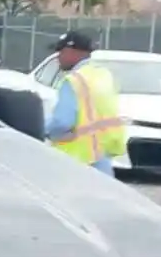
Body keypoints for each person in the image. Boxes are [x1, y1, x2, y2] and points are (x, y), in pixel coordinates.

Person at [44, 31, 128, 175]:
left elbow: (62, 122)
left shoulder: (73, 81)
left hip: (76, 161)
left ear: (72, 52)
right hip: (101, 157)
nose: (58, 57)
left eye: (61, 51)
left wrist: (42, 128)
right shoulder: (103, 76)